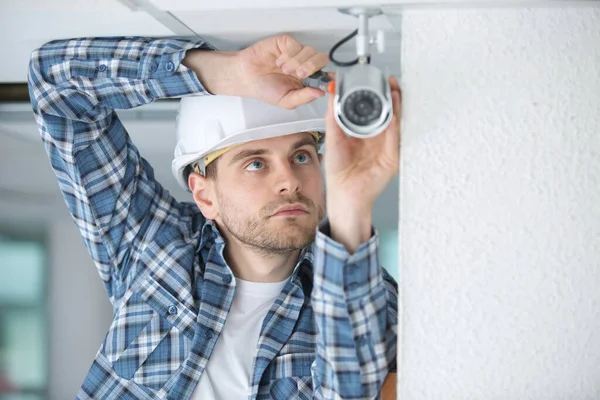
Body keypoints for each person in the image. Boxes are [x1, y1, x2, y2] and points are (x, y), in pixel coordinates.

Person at [27, 33, 400, 399]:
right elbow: (56, 84)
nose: (289, 180)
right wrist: (227, 73)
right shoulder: (154, 246)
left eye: (301, 156)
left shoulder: (364, 292)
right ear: (205, 196)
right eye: (256, 164)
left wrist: (351, 204)